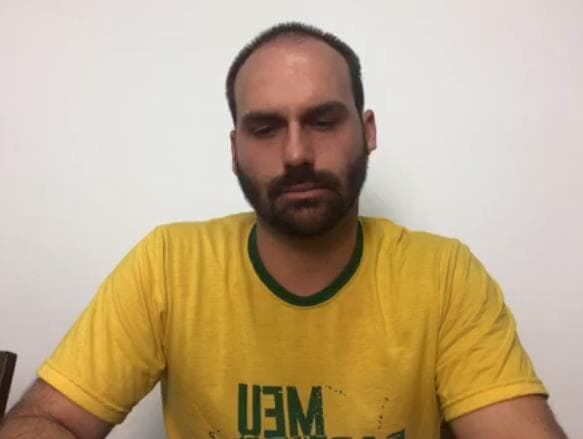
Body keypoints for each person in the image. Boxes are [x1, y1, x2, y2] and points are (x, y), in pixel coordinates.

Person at [0, 22, 567, 439]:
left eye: (323, 120)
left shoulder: (442, 275)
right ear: (235, 149)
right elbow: (51, 419)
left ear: (368, 131)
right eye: (266, 128)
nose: (296, 154)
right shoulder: (170, 265)